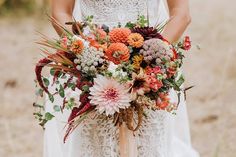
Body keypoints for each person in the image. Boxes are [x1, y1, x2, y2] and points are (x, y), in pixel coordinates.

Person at [44, 0, 199, 156]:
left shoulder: (151, 63)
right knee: (97, 146)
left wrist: (152, 57)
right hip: (92, 69)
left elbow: (181, 13)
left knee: (150, 145)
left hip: (150, 70)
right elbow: (60, 12)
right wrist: (87, 54)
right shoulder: (91, 62)